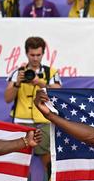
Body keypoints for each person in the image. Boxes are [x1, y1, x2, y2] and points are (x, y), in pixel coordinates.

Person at [4, 36, 62, 171]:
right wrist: (17, 83)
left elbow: (59, 94)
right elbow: (7, 98)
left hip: (44, 121)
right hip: (21, 122)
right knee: (18, 162)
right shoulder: (18, 73)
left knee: (48, 162)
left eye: (38, 55)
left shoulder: (50, 72)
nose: (35, 58)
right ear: (26, 54)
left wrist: (41, 83)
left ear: (43, 54)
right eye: (32, 55)